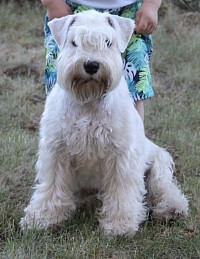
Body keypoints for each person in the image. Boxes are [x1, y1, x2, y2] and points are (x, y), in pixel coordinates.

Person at [41, 0, 162, 122]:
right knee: (59, 83)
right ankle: (60, 134)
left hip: (128, 10)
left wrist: (151, 4)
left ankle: (134, 137)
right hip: (69, 8)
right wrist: (52, 3)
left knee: (135, 86)